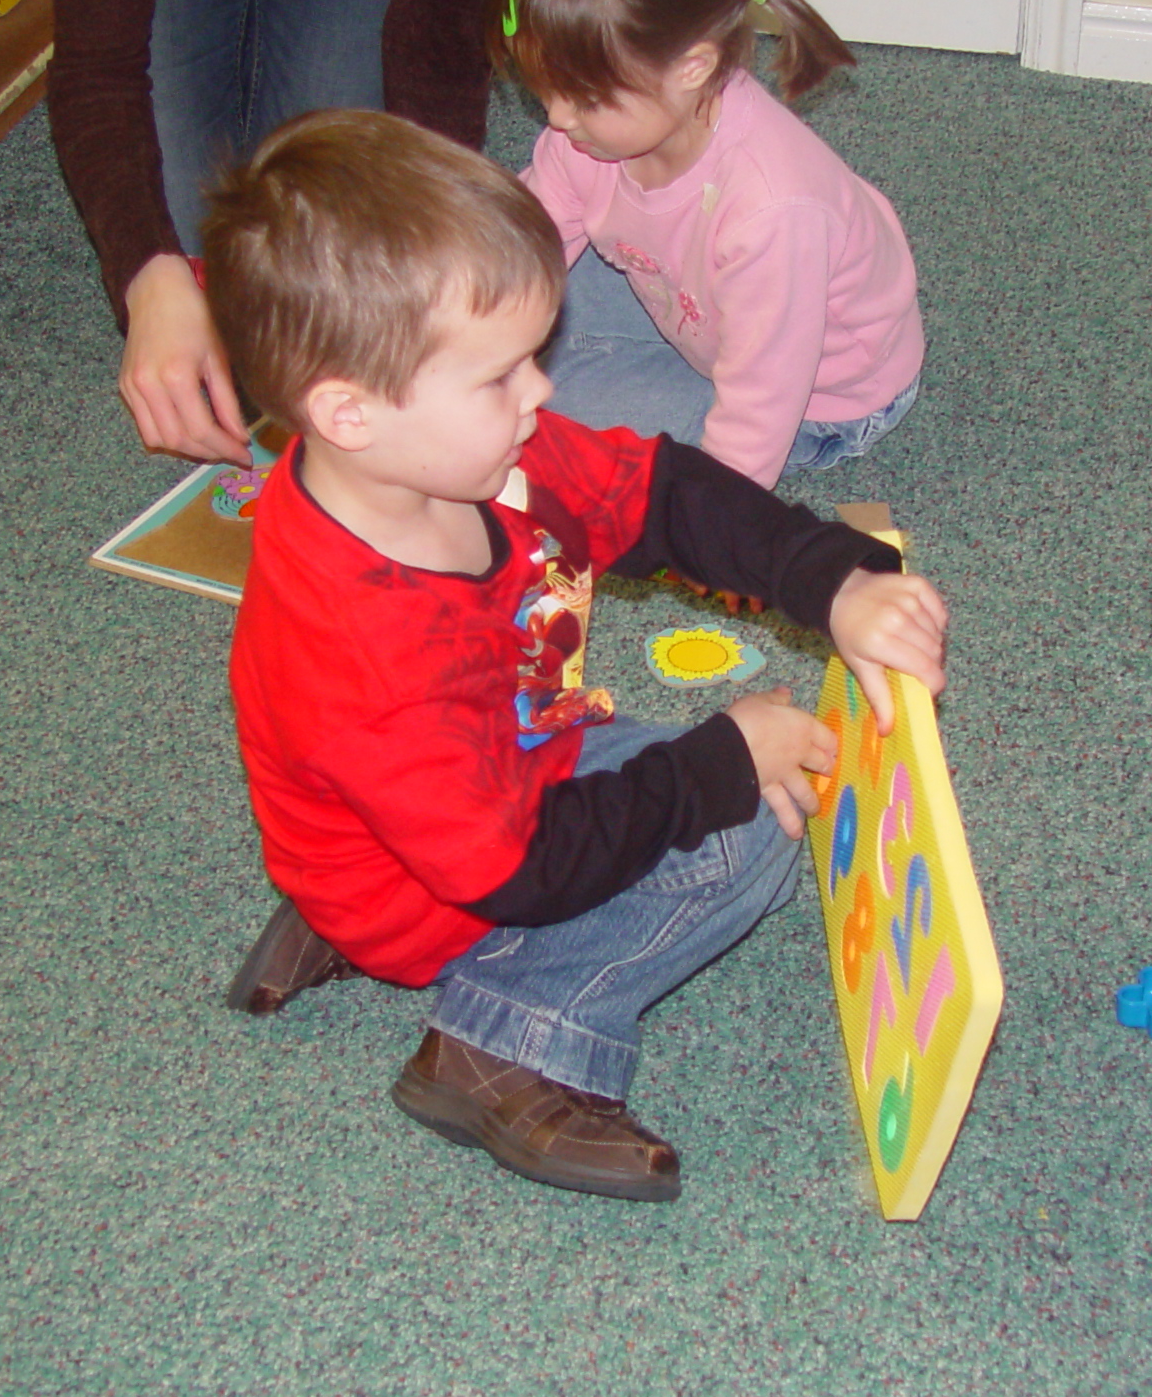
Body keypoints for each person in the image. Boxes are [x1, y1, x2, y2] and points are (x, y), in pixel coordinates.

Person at [204, 110, 951, 1203]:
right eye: (500, 376)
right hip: (465, 869)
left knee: (692, 773)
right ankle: (506, 1040)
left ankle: (347, 897)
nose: (541, 394)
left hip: (469, 788)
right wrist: (720, 765)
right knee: (746, 836)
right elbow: (523, 868)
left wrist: (828, 576)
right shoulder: (364, 653)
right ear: (349, 414)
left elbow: (659, 493)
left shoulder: (468, 464)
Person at [48, 0, 587, 465]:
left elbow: (439, 42)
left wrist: (429, 249)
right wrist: (146, 274)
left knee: (309, 273)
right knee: (207, 293)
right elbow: (99, 63)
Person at [488, 0, 925, 489]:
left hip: (818, 396)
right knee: (497, 300)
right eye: (546, 87)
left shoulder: (772, 210)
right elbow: (521, 244)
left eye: (583, 97)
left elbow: (761, 402)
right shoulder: (588, 132)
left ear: (693, 67)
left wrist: (725, 524)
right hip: (701, 298)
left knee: (552, 408)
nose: (556, 118)